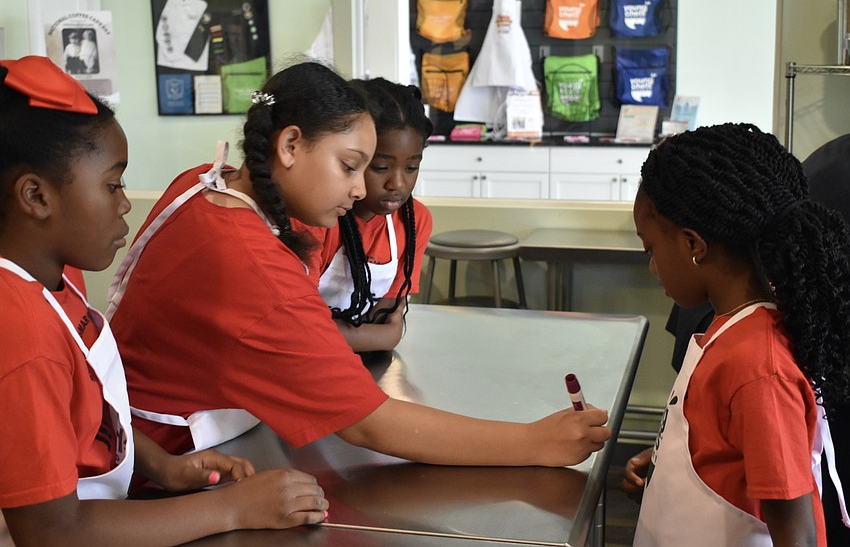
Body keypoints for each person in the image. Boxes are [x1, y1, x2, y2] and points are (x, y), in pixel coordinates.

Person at [106, 60, 610, 470]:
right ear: (289, 145)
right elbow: (369, 422)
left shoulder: (203, 182)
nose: (359, 187)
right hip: (169, 457)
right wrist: (532, 443)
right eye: (350, 166)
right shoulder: (252, 266)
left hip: (138, 432)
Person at [0, 56, 329, 546]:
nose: (125, 202)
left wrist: (161, 464)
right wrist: (233, 508)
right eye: (112, 184)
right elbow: (52, 531)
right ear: (36, 196)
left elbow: (87, 413)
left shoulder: (54, 283)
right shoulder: (22, 332)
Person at [627, 123, 850, 546]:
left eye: (650, 249)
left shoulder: (758, 369)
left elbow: (796, 532)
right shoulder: (728, 328)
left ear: (694, 244)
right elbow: (730, 443)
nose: (652, 267)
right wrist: (667, 456)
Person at [314, 77, 433, 352]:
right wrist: (385, 337)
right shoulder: (319, 217)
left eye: (411, 168)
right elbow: (295, 327)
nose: (397, 184)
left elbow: (386, 312)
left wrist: (369, 335)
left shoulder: (415, 221)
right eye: (380, 168)